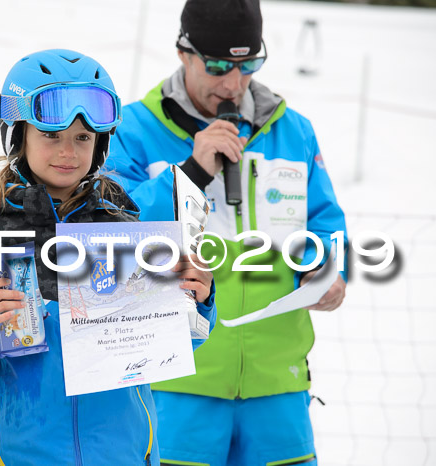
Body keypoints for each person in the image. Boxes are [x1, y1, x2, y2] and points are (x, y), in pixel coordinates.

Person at [0, 48, 216, 465]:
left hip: (124, 454)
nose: (69, 152)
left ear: (100, 144)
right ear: (17, 134)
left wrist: (197, 297)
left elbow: (174, 340)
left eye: (83, 138)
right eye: (51, 136)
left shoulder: (127, 235)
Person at [103, 0, 347, 464]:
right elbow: (113, 235)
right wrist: (191, 172)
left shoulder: (294, 131)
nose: (234, 83)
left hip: (279, 384)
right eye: (217, 66)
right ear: (184, 53)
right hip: (175, 382)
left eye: (248, 64)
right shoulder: (132, 129)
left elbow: (325, 224)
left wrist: (327, 270)